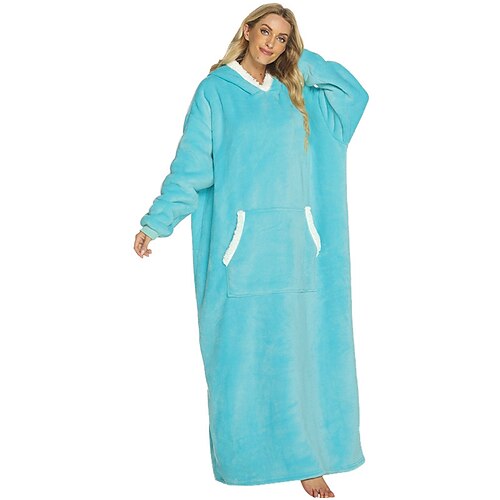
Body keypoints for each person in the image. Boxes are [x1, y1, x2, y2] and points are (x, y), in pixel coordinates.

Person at [133, 3, 369, 498]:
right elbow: (192, 167)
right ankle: (246, 463)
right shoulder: (215, 92)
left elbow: (354, 94)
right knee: (240, 366)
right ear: (247, 30)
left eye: (282, 38)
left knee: (301, 358)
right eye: (265, 31)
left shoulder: (296, 91)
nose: (271, 44)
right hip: (240, 257)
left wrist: (303, 61)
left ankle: (309, 459)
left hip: (297, 252)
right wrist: (158, 222)